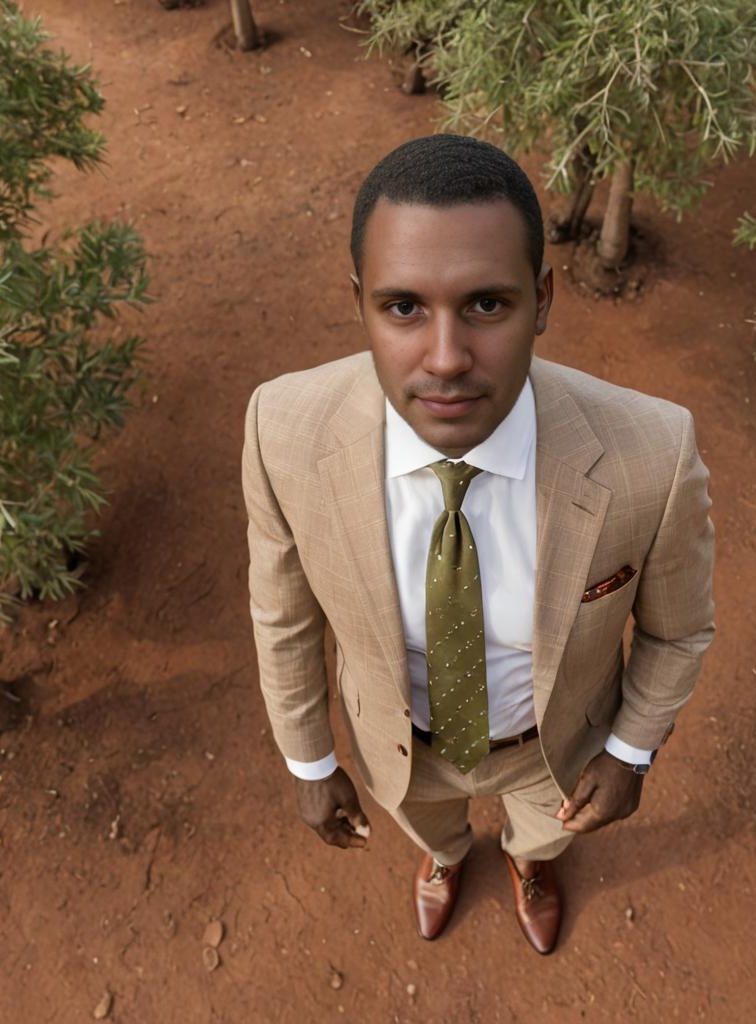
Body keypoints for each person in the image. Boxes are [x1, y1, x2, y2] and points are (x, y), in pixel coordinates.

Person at [241, 133, 716, 955]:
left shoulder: (652, 454)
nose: (447, 358)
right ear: (358, 301)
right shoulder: (282, 432)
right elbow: (283, 619)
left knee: (544, 831)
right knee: (429, 823)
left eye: (488, 305)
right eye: (402, 308)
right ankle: (445, 854)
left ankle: (530, 861)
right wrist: (311, 765)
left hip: (554, 749)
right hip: (401, 747)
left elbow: (679, 630)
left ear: (544, 297)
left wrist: (631, 750)